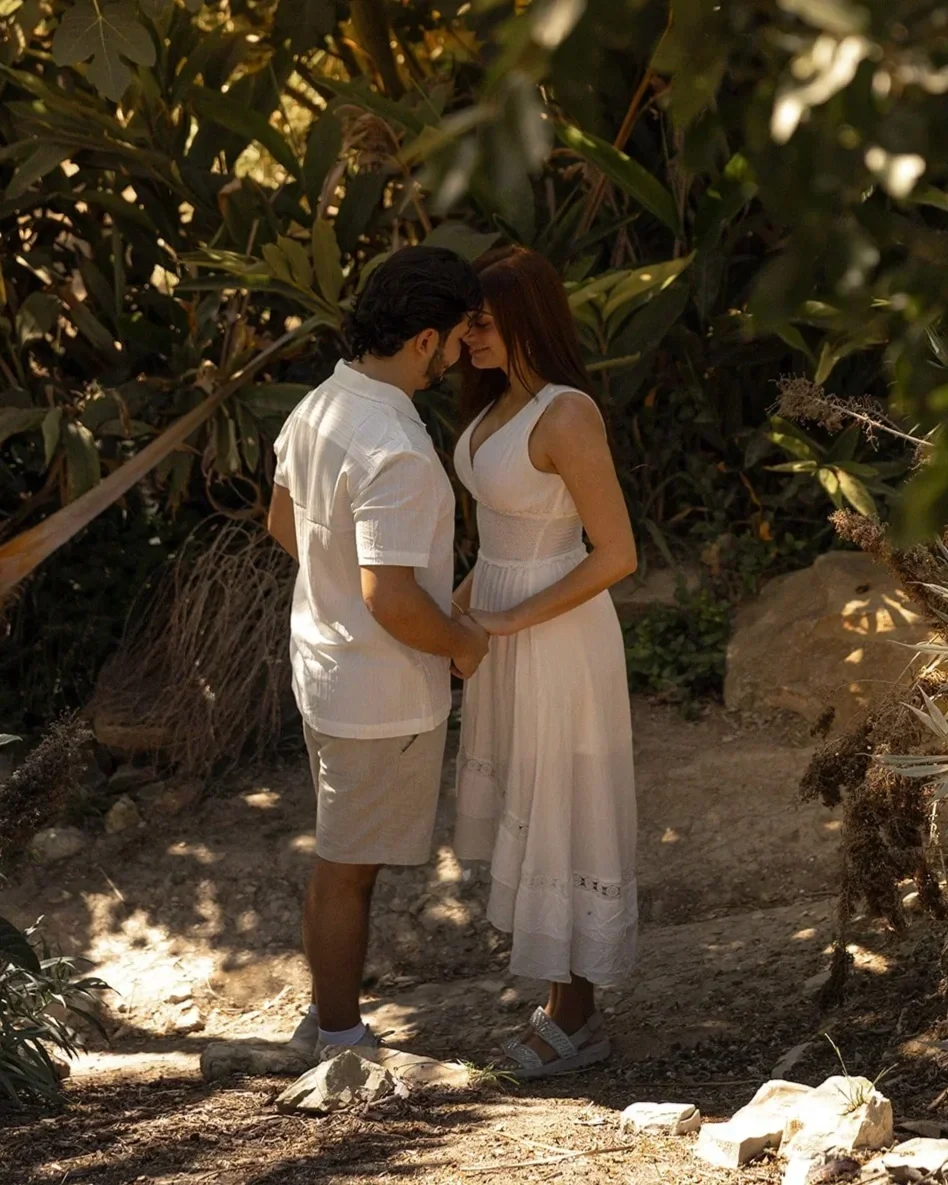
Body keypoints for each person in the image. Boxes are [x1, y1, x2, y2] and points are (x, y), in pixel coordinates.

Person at [267, 246, 489, 1058]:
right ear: (426, 338)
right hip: (377, 691)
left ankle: (329, 1017)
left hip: (325, 669)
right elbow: (389, 597)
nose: (467, 352)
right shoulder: (394, 442)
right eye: (462, 336)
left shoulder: (320, 405)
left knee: (341, 857)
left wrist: (334, 583)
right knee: (347, 868)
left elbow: (282, 526)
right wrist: (465, 641)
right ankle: (338, 1036)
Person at [451, 245, 638, 1079]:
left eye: (483, 322)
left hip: (558, 634)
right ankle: (560, 1000)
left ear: (528, 315)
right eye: (464, 324)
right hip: (504, 627)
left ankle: (577, 1017)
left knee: (564, 803)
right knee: (531, 799)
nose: (469, 338)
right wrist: (458, 602)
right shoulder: (495, 406)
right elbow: (500, 533)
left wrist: (511, 617)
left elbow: (617, 553)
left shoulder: (567, 413)